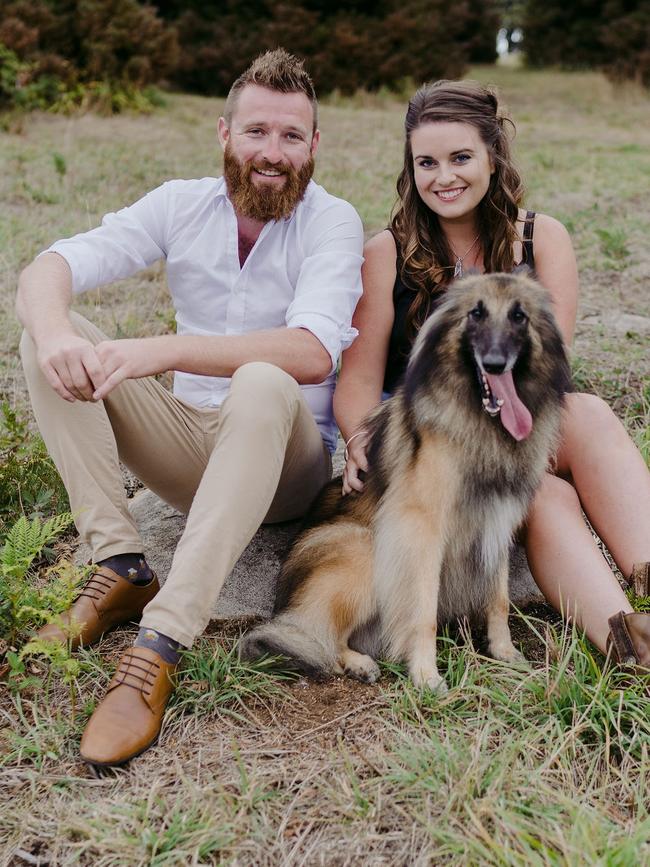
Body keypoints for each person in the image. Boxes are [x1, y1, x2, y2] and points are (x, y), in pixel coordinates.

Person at [15, 49, 364, 766]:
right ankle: (119, 564)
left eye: (292, 137)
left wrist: (165, 351)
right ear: (224, 134)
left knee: (264, 378)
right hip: (191, 453)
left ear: (315, 146)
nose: (273, 153)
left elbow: (311, 352)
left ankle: (160, 643)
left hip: (284, 464)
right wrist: (54, 333)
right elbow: (53, 264)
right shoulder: (180, 203)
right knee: (49, 335)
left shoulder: (333, 221)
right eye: (257, 132)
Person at [333, 80, 650, 670]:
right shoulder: (387, 252)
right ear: (410, 167)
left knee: (589, 413)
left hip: (527, 430)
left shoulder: (541, 237)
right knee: (549, 496)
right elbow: (357, 383)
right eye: (426, 162)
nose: (443, 177)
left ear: (492, 157)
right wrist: (358, 439)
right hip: (442, 449)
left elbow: (549, 370)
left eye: (460, 158)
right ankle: (628, 645)